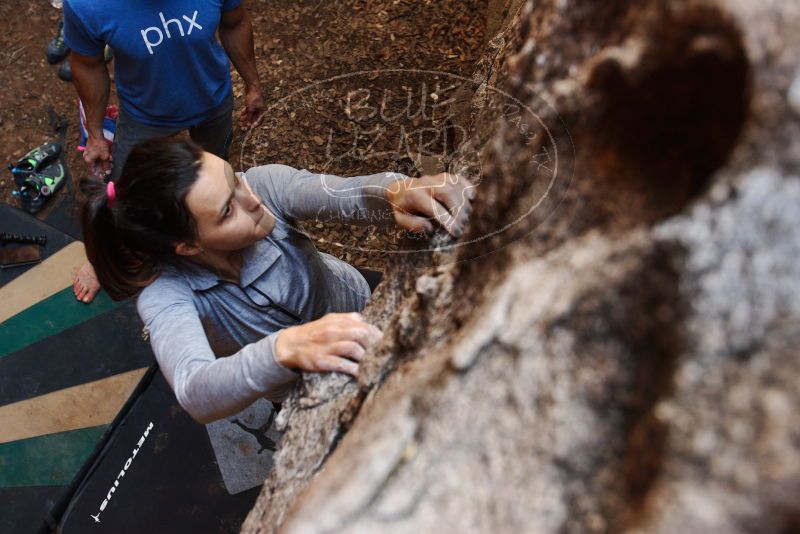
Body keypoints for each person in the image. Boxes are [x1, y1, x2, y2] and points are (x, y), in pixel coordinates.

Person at [79, 138, 474, 423]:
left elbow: (344, 194)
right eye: (227, 210)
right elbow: (194, 389)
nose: (251, 199)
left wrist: (396, 190)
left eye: (233, 178)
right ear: (187, 247)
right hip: (312, 385)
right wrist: (283, 349)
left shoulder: (264, 186)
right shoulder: (165, 294)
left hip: (363, 298)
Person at [63, 0, 266, 303]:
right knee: (122, 194)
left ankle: (218, 241)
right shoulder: (86, 5)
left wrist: (253, 85)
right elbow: (87, 63)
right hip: (144, 114)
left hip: (213, 101)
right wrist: (95, 135)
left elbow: (235, 22)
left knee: (217, 180)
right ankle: (106, 253)